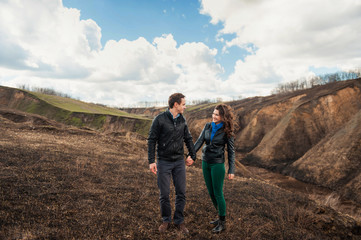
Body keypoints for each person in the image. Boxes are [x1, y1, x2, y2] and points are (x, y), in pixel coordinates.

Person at [148, 93, 196, 235]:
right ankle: (166, 220)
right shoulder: (160, 119)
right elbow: (151, 140)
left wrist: (192, 155)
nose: (185, 106)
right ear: (175, 104)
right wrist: (152, 161)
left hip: (179, 162)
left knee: (181, 192)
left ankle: (179, 220)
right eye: (183, 104)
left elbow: (188, 138)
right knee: (164, 193)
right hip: (164, 161)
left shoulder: (182, 120)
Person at [187, 103, 235, 233]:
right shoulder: (208, 126)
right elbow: (199, 141)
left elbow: (231, 151)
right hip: (205, 162)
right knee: (211, 192)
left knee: (218, 193)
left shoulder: (227, 130)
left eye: (217, 115)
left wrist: (231, 170)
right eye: (213, 113)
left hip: (217, 164)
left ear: (223, 117)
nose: (213, 116)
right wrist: (191, 155)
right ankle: (219, 216)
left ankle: (222, 222)